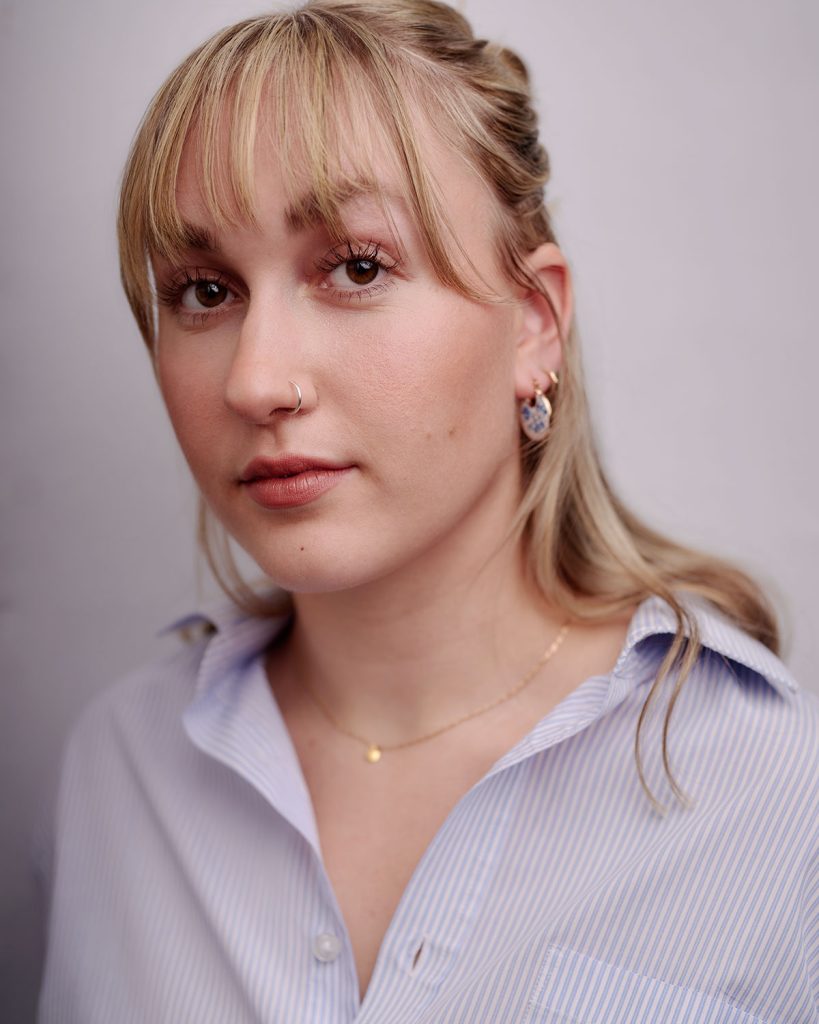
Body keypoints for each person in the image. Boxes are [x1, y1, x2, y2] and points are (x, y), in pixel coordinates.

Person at [38, 1, 818, 1021]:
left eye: (356, 267)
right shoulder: (123, 769)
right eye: (203, 290)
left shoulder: (772, 789)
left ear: (534, 324)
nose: (256, 380)